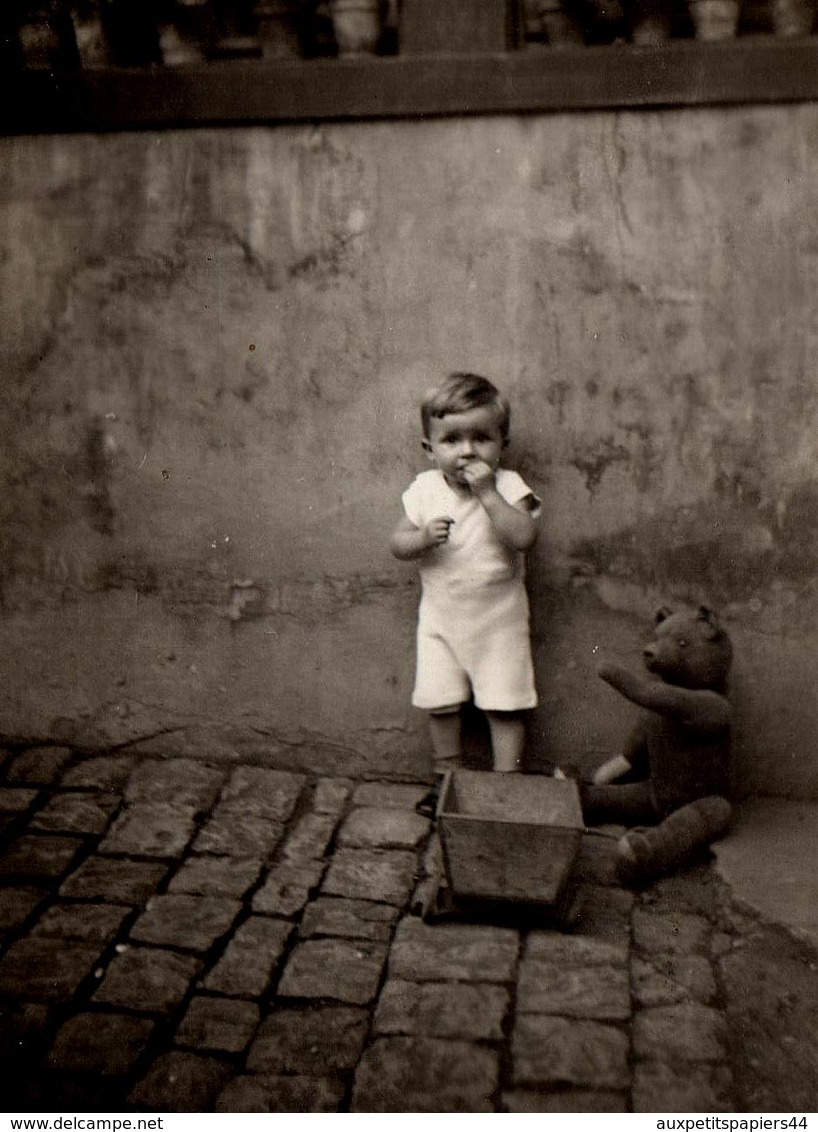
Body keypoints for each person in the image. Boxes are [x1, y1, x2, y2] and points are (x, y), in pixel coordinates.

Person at [390, 372, 540, 776]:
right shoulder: (424, 490)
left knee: (504, 706)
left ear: (502, 445)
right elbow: (396, 543)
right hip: (441, 620)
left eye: (481, 439)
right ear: (429, 449)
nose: (467, 452)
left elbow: (524, 535)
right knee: (441, 703)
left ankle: (506, 781)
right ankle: (447, 775)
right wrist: (420, 537)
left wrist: (488, 494)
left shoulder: (508, 485)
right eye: (452, 440)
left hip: (498, 623)